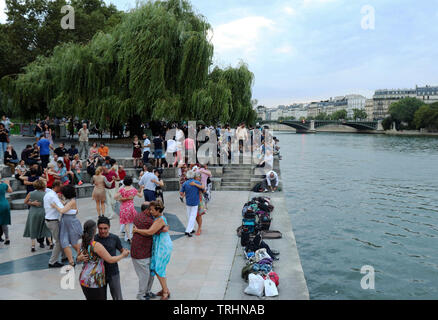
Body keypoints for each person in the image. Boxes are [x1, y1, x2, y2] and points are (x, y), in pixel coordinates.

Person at [78, 219, 130, 300]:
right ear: (96, 229)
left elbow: (122, 250)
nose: (102, 231)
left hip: (112, 272)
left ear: (109, 227)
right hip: (98, 276)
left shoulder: (114, 238)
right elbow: (110, 259)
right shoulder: (93, 241)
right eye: (100, 228)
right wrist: (79, 258)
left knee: (117, 297)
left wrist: (125, 252)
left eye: (105, 228)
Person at [133, 200, 172, 300]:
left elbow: (150, 232)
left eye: (152, 210)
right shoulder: (157, 218)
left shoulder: (159, 220)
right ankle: (165, 289)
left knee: (159, 269)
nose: (150, 212)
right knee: (157, 268)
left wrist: (137, 230)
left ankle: (165, 293)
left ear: (158, 210)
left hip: (163, 246)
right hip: (159, 245)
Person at [51, 185, 82, 267]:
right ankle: (71, 261)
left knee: (73, 242)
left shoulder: (72, 201)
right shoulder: (70, 200)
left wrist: (55, 206)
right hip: (65, 223)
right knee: (64, 242)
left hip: (70, 223)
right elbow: (65, 204)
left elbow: (62, 210)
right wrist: (60, 199)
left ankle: (83, 256)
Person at [23, 180, 52, 252]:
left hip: (33, 212)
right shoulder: (46, 194)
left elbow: (25, 202)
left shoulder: (31, 193)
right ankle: (51, 243)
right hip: (43, 212)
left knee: (33, 228)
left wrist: (32, 203)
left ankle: (33, 246)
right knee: (46, 228)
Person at [115, 176, 143, 242]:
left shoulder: (122, 190)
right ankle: (133, 234)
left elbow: (116, 197)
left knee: (126, 223)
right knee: (134, 221)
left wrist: (124, 198)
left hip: (123, 208)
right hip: (131, 207)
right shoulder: (133, 190)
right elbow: (141, 195)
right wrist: (142, 189)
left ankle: (128, 237)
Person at [44, 180, 65, 268]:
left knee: (61, 238)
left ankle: (64, 255)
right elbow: (62, 208)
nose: (61, 188)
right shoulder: (53, 196)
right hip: (53, 221)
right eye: (60, 186)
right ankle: (52, 261)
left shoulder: (48, 193)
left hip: (49, 219)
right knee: (58, 242)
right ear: (56, 186)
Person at [179, 170, 204, 237]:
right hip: (195, 202)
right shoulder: (197, 182)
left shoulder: (185, 183)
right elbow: (203, 189)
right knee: (192, 217)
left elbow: (181, 193)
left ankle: (191, 229)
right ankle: (188, 231)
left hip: (188, 202)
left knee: (190, 216)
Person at [0, 175, 12, 245]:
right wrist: (8, 184)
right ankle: (7, 238)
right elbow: (10, 191)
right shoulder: (4, 185)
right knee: (4, 223)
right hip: (4, 204)